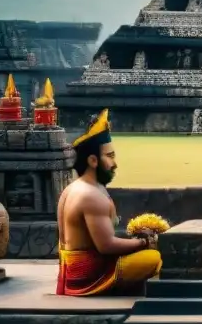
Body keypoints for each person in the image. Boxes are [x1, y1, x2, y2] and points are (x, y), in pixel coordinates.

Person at [56, 109, 162, 295]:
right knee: (154, 258)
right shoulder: (90, 195)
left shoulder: (72, 189)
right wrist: (144, 242)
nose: (115, 163)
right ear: (93, 160)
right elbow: (106, 246)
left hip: (71, 271)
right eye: (110, 156)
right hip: (90, 275)